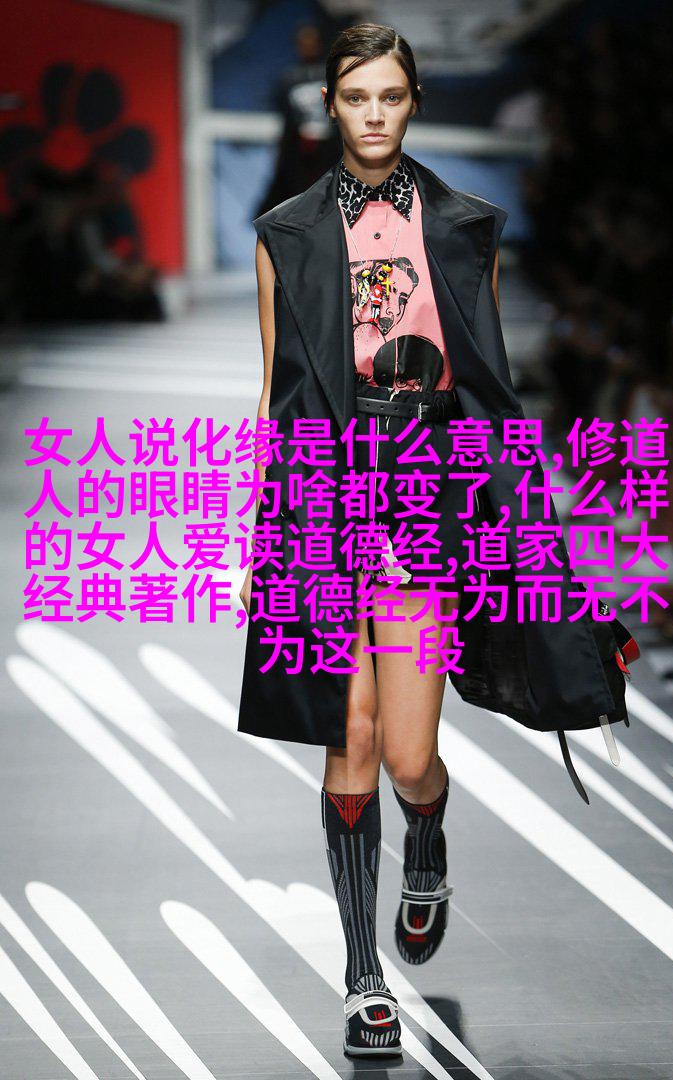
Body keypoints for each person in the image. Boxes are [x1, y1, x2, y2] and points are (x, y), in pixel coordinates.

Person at [237, 21, 637, 1060]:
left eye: (390, 95)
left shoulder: (466, 229)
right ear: (332, 105)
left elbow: (491, 389)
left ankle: (427, 835)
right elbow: (281, 394)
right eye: (355, 96)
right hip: (329, 496)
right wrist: (272, 534)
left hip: (426, 494)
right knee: (353, 735)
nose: (373, 114)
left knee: (411, 759)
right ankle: (362, 977)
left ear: (413, 102)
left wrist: (526, 524)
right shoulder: (285, 233)